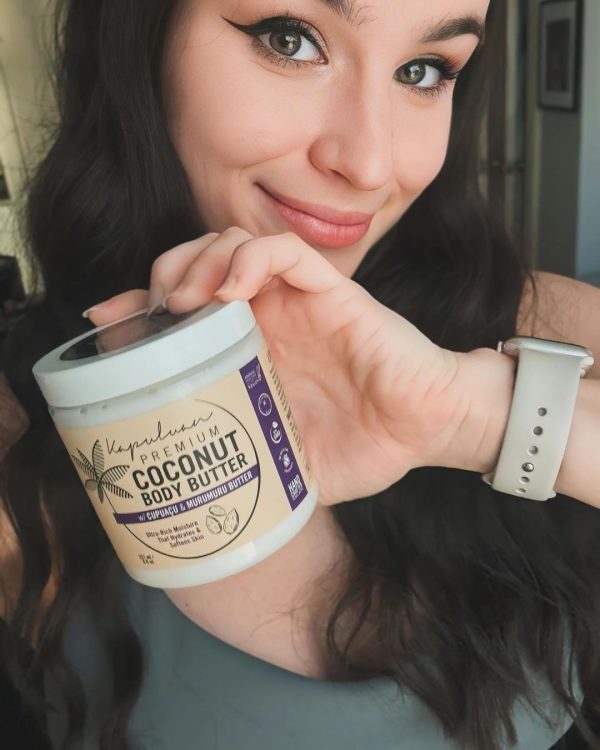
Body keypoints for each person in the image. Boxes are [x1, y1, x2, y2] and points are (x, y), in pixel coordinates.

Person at [1, 0, 599, 748]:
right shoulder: (18, 436)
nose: (371, 163)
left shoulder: (545, 331)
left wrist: (477, 417)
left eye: (424, 71)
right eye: (291, 39)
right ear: (143, 35)